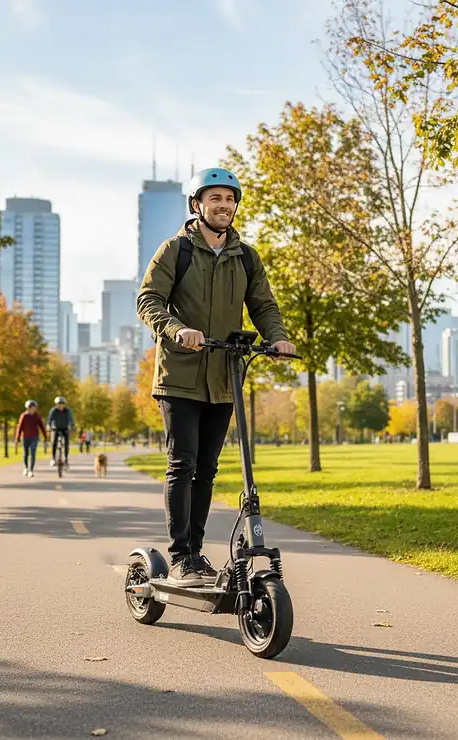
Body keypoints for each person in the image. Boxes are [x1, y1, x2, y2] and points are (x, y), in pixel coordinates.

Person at [137, 166, 295, 587]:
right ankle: (181, 556)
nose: (223, 206)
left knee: (207, 468)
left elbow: (263, 306)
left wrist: (277, 338)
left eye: (230, 199)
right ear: (197, 205)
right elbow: (148, 299)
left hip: (224, 377)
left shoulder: (246, 257)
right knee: (182, 464)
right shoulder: (176, 250)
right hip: (180, 375)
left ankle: (197, 553)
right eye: (215, 199)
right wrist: (176, 330)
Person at [15, 400, 47, 477]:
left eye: (34, 408)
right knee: (26, 454)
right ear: (28, 408)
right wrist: (17, 438)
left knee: (33, 453)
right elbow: (20, 427)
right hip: (25, 437)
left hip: (34, 437)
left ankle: (31, 470)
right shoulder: (24, 416)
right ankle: (26, 468)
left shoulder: (37, 416)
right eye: (31, 408)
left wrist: (45, 436)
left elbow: (41, 426)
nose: (33, 409)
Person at [47, 396, 75, 469]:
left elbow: (71, 419)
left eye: (62, 404)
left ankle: (66, 458)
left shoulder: (68, 410)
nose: (61, 406)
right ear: (56, 405)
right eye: (59, 404)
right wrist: (48, 426)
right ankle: (53, 458)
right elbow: (49, 419)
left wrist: (71, 426)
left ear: (65, 405)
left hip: (65, 428)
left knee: (66, 443)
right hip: (55, 428)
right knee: (54, 443)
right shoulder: (53, 410)